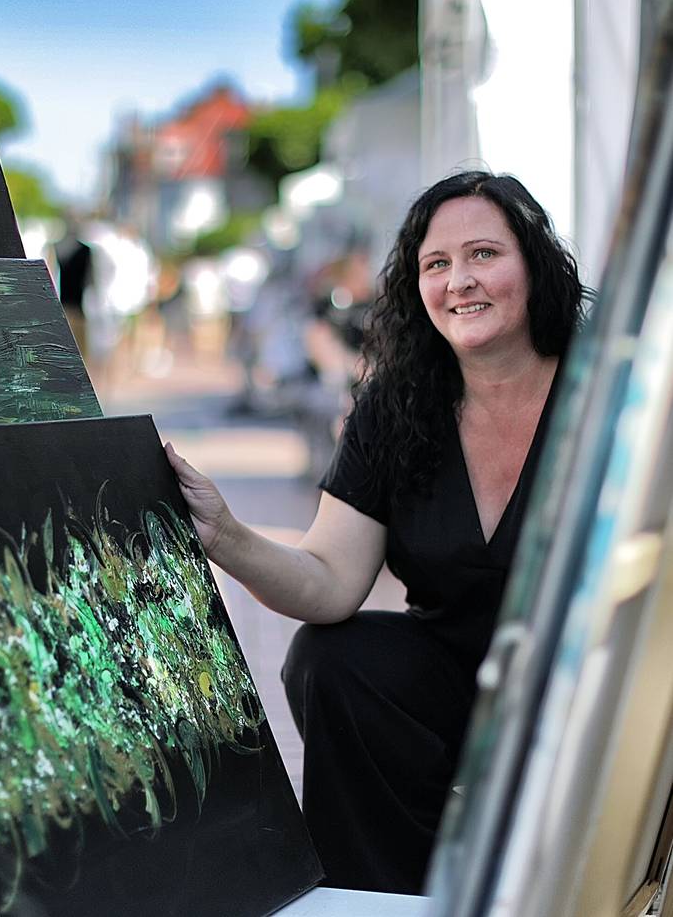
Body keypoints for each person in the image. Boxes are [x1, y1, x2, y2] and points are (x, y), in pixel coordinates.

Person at [165, 171, 588, 894]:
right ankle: (384, 897)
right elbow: (328, 583)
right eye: (437, 264)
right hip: (457, 695)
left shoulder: (609, 388)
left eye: (484, 254)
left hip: (587, 688)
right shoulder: (399, 406)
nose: (460, 281)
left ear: (534, 263)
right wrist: (223, 534)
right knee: (332, 658)